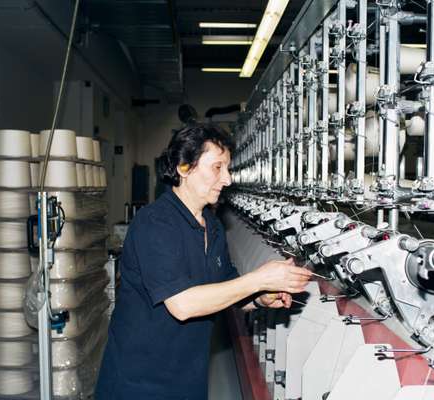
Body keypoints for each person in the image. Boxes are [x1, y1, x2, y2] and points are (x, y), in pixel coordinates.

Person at [95, 123, 312, 400]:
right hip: (139, 382)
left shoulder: (212, 225)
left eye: (228, 168)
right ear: (184, 167)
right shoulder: (155, 223)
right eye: (217, 167)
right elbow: (182, 305)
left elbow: (228, 288)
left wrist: (259, 298)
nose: (228, 179)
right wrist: (260, 279)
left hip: (187, 379)